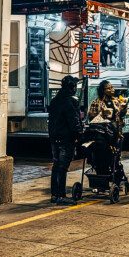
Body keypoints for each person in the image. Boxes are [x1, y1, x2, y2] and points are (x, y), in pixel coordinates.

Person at [47, 75, 83, 204]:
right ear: (73, 88)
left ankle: (54, 195)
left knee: (56, 165)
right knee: (62, 167)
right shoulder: (70, 101)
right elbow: (74, 121)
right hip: (65, 139)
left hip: (54, 139)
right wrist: (79, 136)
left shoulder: (54, 101)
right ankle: (61, 196)